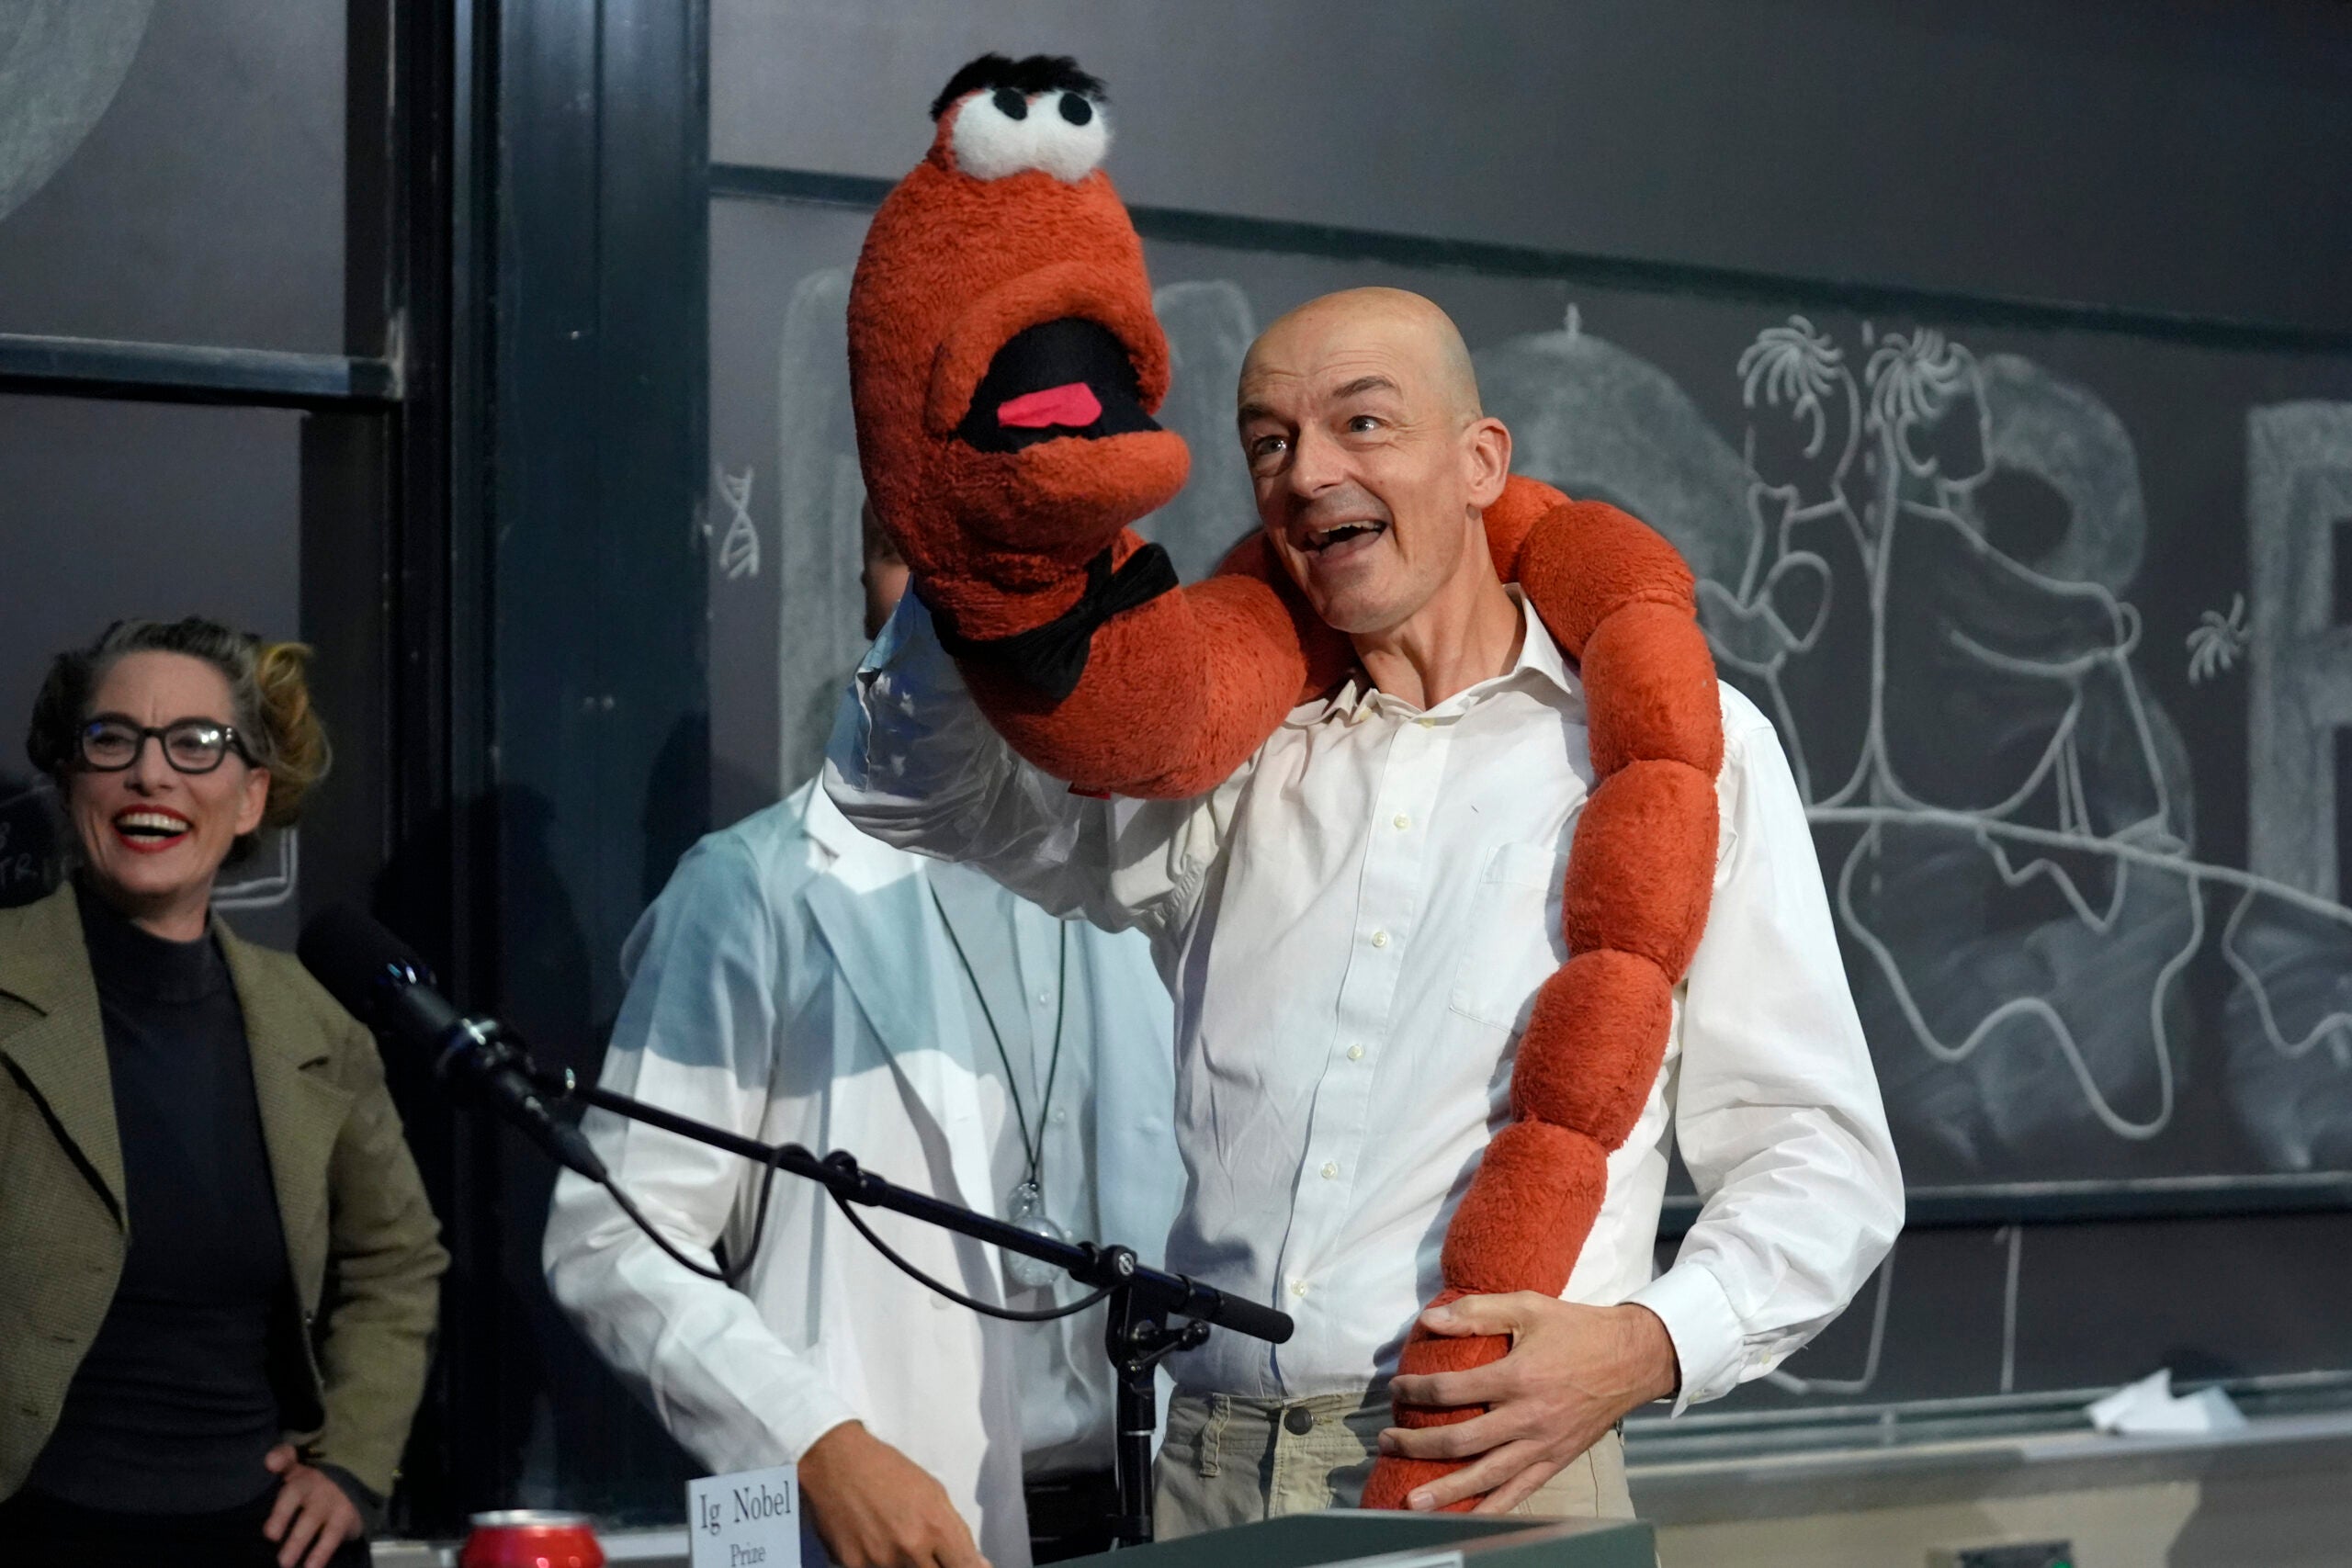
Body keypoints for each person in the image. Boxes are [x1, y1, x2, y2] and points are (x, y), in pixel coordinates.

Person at [829, 288, 1904, 1530]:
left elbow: (1818, 1154)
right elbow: (919, 798)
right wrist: (964, 563)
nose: (1307, 472)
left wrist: (1648, 1342)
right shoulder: (1224, 742)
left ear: (1480, 461)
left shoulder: (1682, 747)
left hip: (1502, 1467)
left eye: (1363, 422)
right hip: (1211, 1475)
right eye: (1270, 441)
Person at [542, 513, 1183, 1568]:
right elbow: (612, 1236)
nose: (976, 591)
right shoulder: (757, 884)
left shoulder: (1162, 866)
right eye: (918, 553)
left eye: (1042, 554)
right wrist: (815, 1445)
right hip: (892, 1524)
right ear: (869, 592)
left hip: (1158, 1509)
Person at [0, 617, 447, 1568]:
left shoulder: (316, 1025)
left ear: (251, 798)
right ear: (69, 776)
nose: (150, 775)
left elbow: (396, 1261)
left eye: (195, 744)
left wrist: (355, 1463)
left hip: (263, 1539)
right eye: (111, 739)